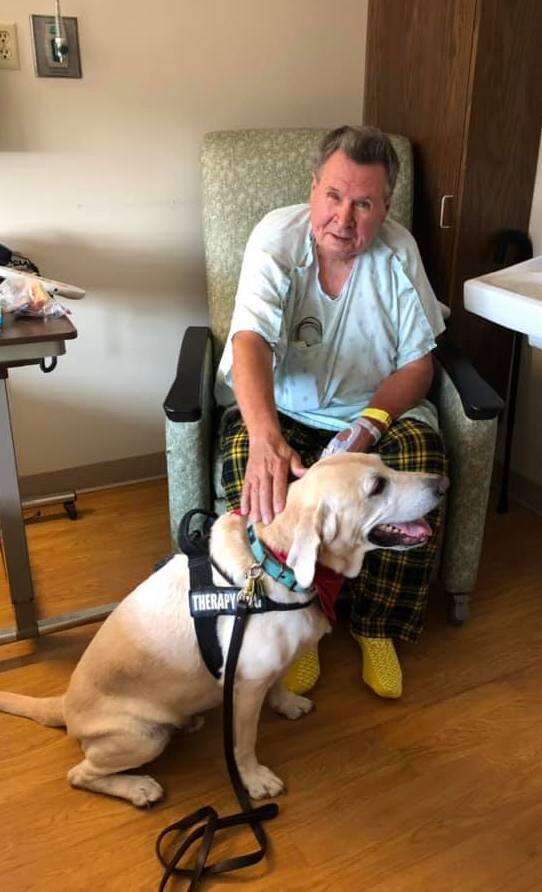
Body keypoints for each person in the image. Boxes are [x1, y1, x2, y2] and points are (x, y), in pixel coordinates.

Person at [214, 125, 447, 699]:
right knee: (250, 465)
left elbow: (419, 366)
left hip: (370, 411)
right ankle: (293, 625)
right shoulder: (277, 237)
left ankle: (375, 627)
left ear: (385, 206)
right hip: (286, 409)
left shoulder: (398, 252)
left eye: (364, 204)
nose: (345, 219)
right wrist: (267, 438)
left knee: (422, 458)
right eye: (335, 197)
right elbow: (250, 340)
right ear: (314, 188)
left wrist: (368, 425)